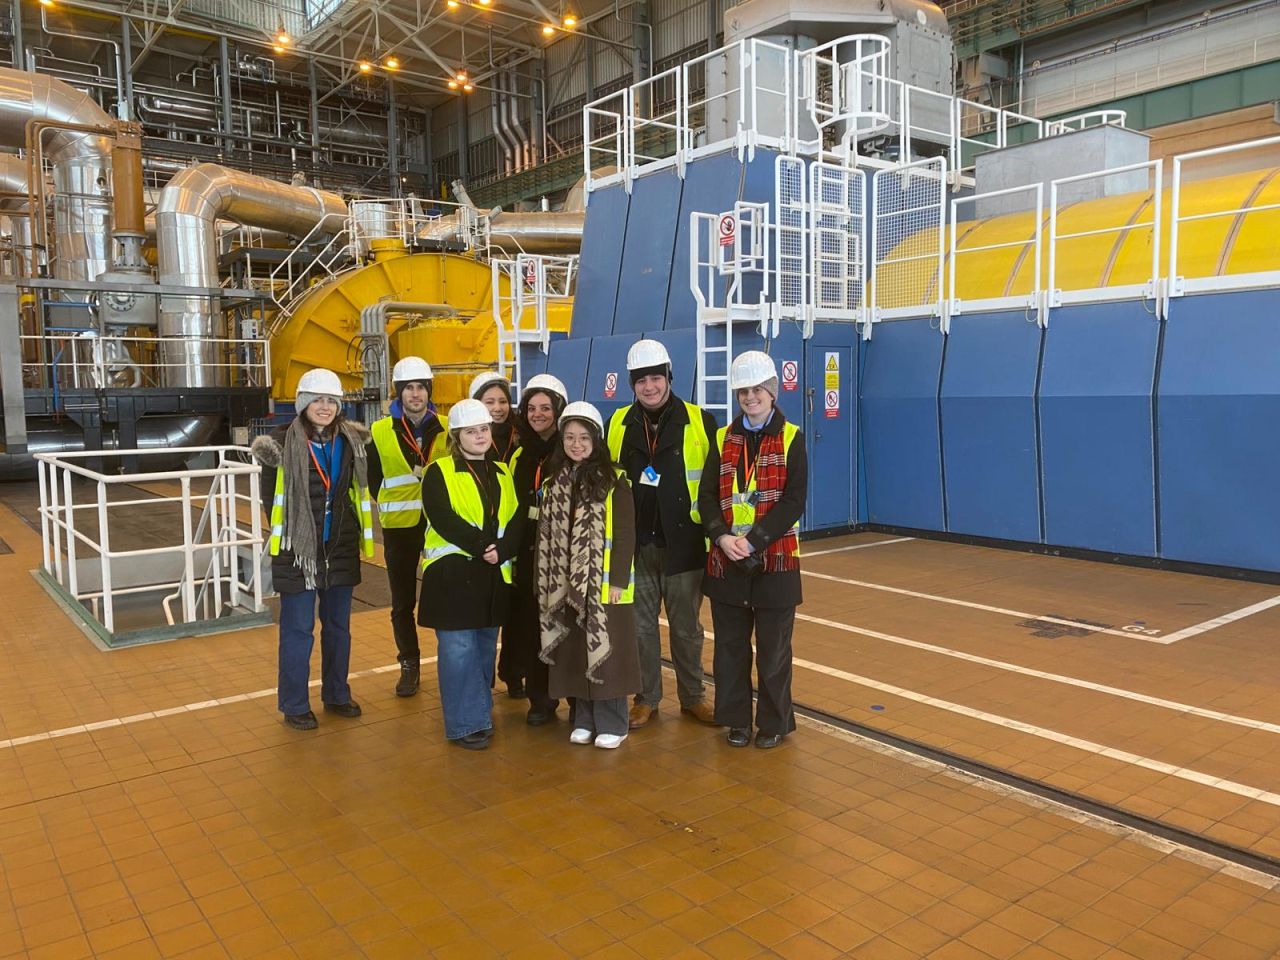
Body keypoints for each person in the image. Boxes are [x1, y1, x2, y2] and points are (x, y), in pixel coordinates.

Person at [252, 368, 373, 731]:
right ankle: (294, 703)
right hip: (297, 549)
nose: (324, 407)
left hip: (339, 545)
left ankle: (337, 694)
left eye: (331, 401)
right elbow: (271, 500)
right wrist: (301, 535)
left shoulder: (352, 442)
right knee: (298, 629)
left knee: (338, 627)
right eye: (317, 400)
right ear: (303, 403)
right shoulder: (279, 445)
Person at [697, 351, 807, 749]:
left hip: (775, 561)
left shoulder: (792, 437)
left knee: (774, 651)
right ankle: (736, 720)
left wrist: (754, 540)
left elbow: (794, 500)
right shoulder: (723, 438)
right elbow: (706, 496)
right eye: (743, 390)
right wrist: (722, 538)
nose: (750, 396)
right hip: (727, 561)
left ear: (772, 391)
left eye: (758, 389)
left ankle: (774, 723)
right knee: (729, 649)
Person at [606, 339, 718, 729]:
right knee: (640, 629)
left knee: (687, 629)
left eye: (656, 378)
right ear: (632, 384)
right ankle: (646, 698)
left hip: (684, 546)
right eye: (641, 381)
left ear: (669, 377)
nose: (649, 387)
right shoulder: (618, 423)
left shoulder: (700, 421)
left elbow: (713, 486)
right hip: (637, 546)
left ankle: (694, 698)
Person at [418, 399, 524, 750]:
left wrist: (504, 549)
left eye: (483, 429)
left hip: (491, 575)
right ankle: (465, 724)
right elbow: (442, 517)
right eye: (470, 431)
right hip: (453, 575)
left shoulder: (503, 471)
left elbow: (517, 519)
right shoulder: (440, 470)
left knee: (482, 649)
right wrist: (482, 546)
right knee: (458, 650)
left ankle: (478, 714)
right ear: (456, 436)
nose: (479, 436)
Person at [538, 402, 640, 749]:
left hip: (604, 584)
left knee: (607, 653)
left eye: (583, 437)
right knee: (575, 651)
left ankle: (613, 721)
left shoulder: (615, 480)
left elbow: (625, 534)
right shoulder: (555, 482)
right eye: (569, 437)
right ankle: (583, 718)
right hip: (568, 584)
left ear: (597, 440)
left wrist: (617, 581)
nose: (576, 444)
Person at [366, 357, 447, 698]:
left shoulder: (446, 426)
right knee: (402, 603)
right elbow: (374, 481)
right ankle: (409, 664)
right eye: (409, 388)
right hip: (399, 528)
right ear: (399, 393)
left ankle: (450, 661)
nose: (416, 394)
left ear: (428, 391)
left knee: (444, 598)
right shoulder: (380, 431)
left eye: (421, 388)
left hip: (441, 527)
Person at [503, 373, 568, 721]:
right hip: (529, 555)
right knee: (533, 628)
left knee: (567, 626)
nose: (538, 414)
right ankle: (540, 700)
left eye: (545, 407)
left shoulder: (571, 449)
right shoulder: (520, 456)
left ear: (559, 409)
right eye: (531, 408)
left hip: (565, 554)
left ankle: (574, 697)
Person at [469, 371, 519, 464]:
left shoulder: (522, 434)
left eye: (503, 401)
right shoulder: (466, 439)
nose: (498, 408)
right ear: (476, 404)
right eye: (490, 402)